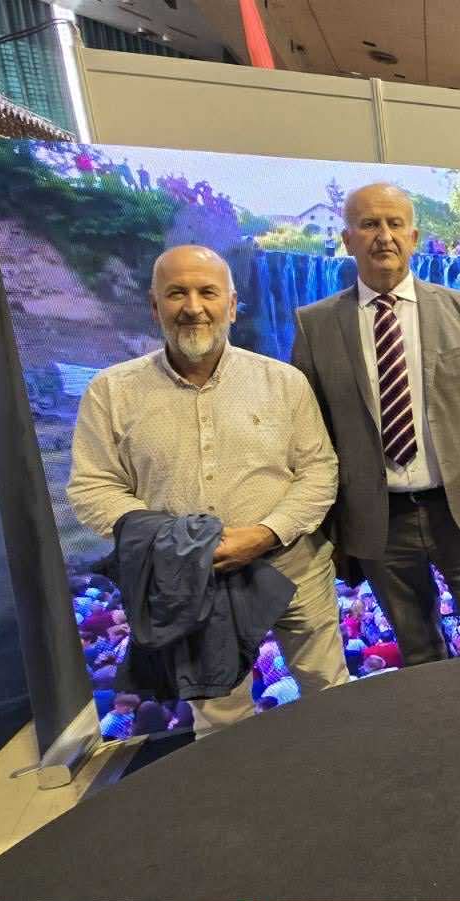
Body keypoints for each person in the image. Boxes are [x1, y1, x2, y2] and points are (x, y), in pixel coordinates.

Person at [68, 245, 349, 733]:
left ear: (232, 306)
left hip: (293, 570)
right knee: (220, 717)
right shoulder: (111, 392)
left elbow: (319, 471)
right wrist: (179, 544)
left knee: (331, 691)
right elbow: (94, 487)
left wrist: (265, 532)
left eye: (208, 292)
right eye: (177, 293)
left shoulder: (284, 383)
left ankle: (346, 772)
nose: (193, 306)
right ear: (155, 306)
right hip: (188, 584)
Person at [291, 183, 460, 666]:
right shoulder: (314, 325)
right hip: (380, 522)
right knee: (421, 656)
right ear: (347, 239)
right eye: (369, 224)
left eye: (395, 223)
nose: (384, 235)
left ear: (413, 237)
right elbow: (310, 438)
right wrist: (331, 530)